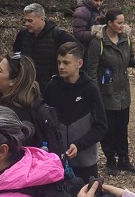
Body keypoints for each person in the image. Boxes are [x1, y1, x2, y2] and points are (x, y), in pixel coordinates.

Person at [85, 8, 135, 174]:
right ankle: (110, 160)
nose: (122, 25)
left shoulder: (125, 39)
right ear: (110, 23)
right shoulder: (98, 43)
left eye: (123, 22)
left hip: (123, 93)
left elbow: (128, 60)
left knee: (122, 127)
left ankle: (123, 159)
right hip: (106, 93)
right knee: (109, 129)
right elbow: (91, 71)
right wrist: (95, 95)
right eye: (119, 22)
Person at [43, 43, 107, 183]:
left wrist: (79, 145)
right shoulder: (52, 87)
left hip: (85, 163)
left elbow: (101, 127)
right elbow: (42, 119)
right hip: (56, 161)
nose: (61, 67)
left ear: (79, 63)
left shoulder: (90, 89)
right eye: (59, 62)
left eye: (66, 63)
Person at [12, 4, 75, 92]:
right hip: (27, 87)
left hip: (51, 88)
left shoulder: (58, 35)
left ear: (42, 19)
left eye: (30, 21)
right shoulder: (22, 34)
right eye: (25, 20)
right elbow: (15, 56)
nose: (26, 24)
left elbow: (79, 52)